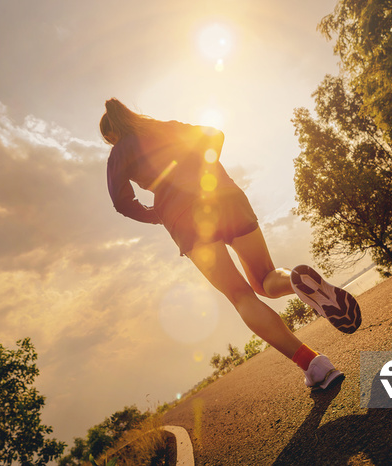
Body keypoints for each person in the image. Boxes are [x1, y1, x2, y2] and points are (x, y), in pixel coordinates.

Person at [100, 98, 361, 389]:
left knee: (241, 296)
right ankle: (296, 281)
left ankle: (315, 365)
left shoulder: (118, 152)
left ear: (111, 135)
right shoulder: (165, 127)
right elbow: (215, 134)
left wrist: (157, 215)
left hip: (183, 217)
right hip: (224, 194)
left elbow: (121, 202)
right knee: (265, 279)